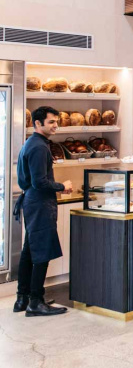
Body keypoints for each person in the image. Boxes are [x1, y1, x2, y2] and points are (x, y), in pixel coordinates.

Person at [12, 106, 72, 316]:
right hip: (39, 203)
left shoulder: (32, 143)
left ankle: (23, 298)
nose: (55, 126)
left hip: (33, 201)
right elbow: (40, 182)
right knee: (41, 253)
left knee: (30, 250)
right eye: (51, 122)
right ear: (38, 123)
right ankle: (36, 302)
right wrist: (62, 186)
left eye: (56, 122)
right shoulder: (39, 147)